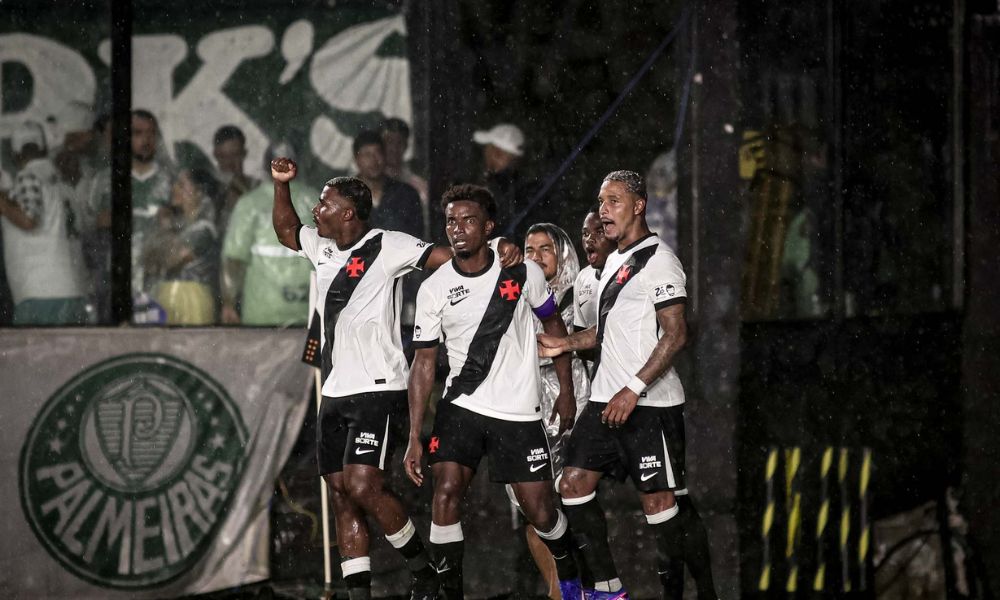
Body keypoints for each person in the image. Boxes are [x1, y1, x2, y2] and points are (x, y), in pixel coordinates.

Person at [270, 158, 521, 600]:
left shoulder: (390, 245)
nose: (316, 210)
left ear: (348, 213)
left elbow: (452, 257)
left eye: (324, 204)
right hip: (333, 390)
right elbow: (286, 230)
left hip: (378, 387)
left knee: (365, 485)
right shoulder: (321, 247)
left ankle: (422, 569)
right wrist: (280, 185)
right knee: (342, 495)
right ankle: (358, 595)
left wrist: (498, 246)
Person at [539, 171, 717, 600]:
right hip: (604, 402)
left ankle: (685, 593)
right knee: (572, 485)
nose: (603, 210)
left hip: (650, 406)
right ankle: (607, 588)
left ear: (639, 205)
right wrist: (563, 343)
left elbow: (676, 334)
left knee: (661, 506)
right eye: (601, 202)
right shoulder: (612, 262)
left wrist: (633, 388)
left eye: (614, 201)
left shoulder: (660, 260)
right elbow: (604, 333)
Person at [404, 184, 584, 600]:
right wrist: (416, 434)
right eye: (451, 220)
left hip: (518, 410)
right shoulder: (433, 288)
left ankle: (571, 572)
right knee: (445, 493)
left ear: (488, 227)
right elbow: (424, 363)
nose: (458, 229)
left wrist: (567, 390)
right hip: (460, 407)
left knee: (539, 511)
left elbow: (554, 328)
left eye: (469, 220)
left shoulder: (523, 272)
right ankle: (450, 593)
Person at [517, 222, 592, 598]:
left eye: (545, 248)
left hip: (570, 393)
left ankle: (579, 587)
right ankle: (558, 591)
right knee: (535, 507)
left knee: (572, 500)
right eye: (529, 250)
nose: (535, 256)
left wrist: (567, 391)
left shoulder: (581, 293)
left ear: (561, 253)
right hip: (524, 400)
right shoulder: (513, 293)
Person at [0, 121, 89, 325]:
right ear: (45, 148)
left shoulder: (27, 176)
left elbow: (29, 219)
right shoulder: (62, 182)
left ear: (14, 154)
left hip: (41, 292)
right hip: (73, 288)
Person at [220, 142, 318, 326]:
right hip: (307, 312)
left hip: (262, 314)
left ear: (266, 167)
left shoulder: (250, 204)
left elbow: (234, 260)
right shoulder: (315, 200)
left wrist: (228, 304)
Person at [144, 168, 220, 325]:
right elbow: (149, 264)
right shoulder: (179, 226)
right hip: (167, 296)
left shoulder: (204, 230)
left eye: (181, 185)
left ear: (199, 192)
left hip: (191, 300)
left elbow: (171, 260)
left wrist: (165, 228)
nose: (174, 189)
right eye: (175, 184)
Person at [473, 122, 553, 240]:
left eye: (488, 148)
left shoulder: (500, 189)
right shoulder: (529, 188)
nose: (485, 153)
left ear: (497, 153)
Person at [131, 109, 174, 299]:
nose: (146, 140)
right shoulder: (106, 180)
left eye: (151, 133)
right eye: (138, 133)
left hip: (158, 275)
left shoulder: (172, 181)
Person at [353, 130, 424, 238]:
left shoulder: (406, 194)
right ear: (356, 159)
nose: (374, 160)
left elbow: (417, 240)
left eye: (378, 153)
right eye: (367, 154)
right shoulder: (344, 197)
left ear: (385, 156)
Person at [380, 118, 429, 237]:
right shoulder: (370, 181)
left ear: (406, 146)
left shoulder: (419, 184)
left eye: (399, 143)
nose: (394, 148)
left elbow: (425, 225)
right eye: (389, 142)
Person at [212, 125, 260, 231]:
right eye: (224, 157)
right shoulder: (210, 189)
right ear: (215, 155)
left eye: (235, 155)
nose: (230, 163)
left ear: (244, 154)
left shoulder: (258, 188)